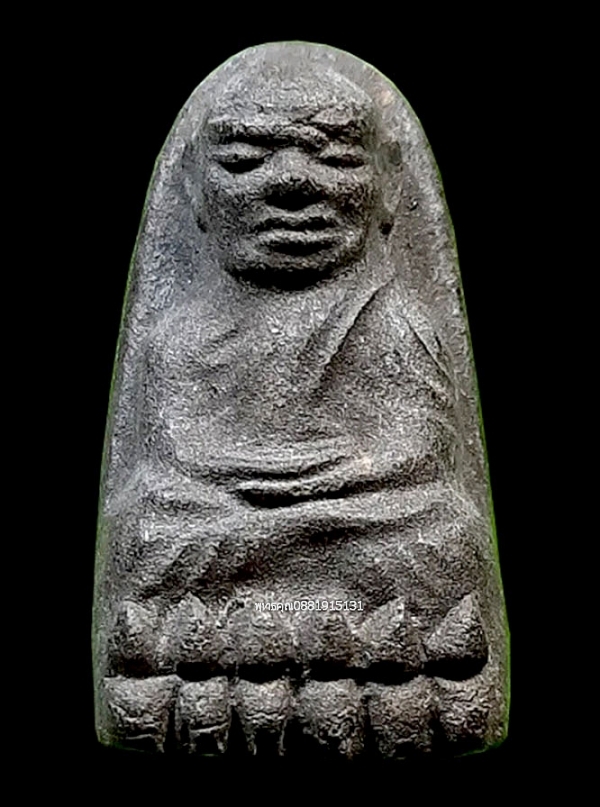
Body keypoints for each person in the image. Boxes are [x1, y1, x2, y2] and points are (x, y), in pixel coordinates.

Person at [96, 47, 507, 757]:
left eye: (334, 157)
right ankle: (366, 650)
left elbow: (421, 455)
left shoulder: (396, 320)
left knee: (445, 533)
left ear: (388, 186)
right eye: (244, 160)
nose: (291, 183)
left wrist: (307, 490)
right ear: (195, 191)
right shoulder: (180, 335)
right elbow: (174, 455)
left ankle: (222, 653)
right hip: (225, 517)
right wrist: (268, 492)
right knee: (147, 532)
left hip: (362, 519)